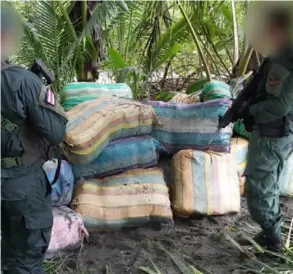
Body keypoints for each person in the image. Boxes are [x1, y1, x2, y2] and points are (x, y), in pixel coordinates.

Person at [1, 3, 68, 273]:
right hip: (21, 183)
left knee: (8, 248)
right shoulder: (24, 81)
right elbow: (56, 132)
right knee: (28, 251)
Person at [244, 7, 293, 254]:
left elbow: (278, 105)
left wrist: (251, 111)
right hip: (279, 132)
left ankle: (274, 243)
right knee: (268, 183)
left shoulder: (285, 57)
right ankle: (269, 232)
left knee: (259, 187)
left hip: (273, 132)